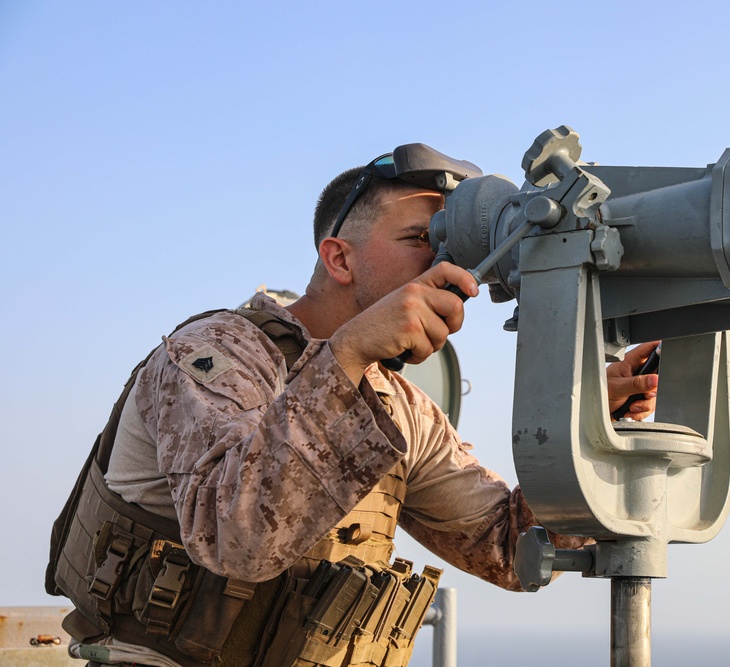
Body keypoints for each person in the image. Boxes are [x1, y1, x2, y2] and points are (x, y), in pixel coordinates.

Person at [46, 144, 659, 667]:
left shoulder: (400, 407)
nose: (445, 261)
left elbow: (512, 548)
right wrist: (349, 353)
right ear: (339, 258)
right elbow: (238, 541)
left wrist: (586, 425)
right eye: (421, 238)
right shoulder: (214, 354)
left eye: (453, 242)